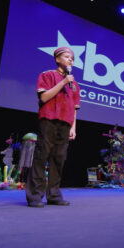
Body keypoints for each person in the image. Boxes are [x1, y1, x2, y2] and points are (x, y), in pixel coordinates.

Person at [25, 47, 80, 207]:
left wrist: (73, 127)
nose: (71, 60)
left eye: (72, 58)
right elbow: (43, 97)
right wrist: (63, 82)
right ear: (57, 59)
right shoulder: (47, 75)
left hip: (65, 123)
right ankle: (35, 196)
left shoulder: (74, 84)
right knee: (41, 157)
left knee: (59, 159)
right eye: (67, 56)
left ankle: (54, 195)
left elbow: (74, 109)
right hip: (48, 120)